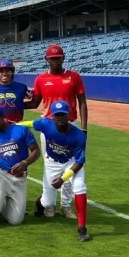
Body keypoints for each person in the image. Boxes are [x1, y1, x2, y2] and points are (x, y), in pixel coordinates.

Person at [26, 44, 88, 219]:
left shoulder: (74, 77)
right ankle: (49, 204)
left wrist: (84, 128)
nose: (55, 61)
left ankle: (66, 205)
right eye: (52, 58)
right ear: (46, 59)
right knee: (51, 166)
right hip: (48, 127)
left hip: (71, 126)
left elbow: (82, 102)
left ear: (63, 58)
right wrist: (14, 106)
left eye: (58, 57)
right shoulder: (40, 79)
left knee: (71, 166)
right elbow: (34, 103)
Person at [21, 101, 90, 242]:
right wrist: (13, 126)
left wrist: (63, 179)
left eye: (62, 115)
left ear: (68, 115)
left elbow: (79, 162)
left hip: (71, 162)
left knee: (79, 187)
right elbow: (30, 124)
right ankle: (39, 205)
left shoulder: (78, 135)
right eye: (56, 115)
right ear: (52, 116)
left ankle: (82, 228)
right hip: (52, 163)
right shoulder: (46, 124)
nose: (59, 117)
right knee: (48, 202)